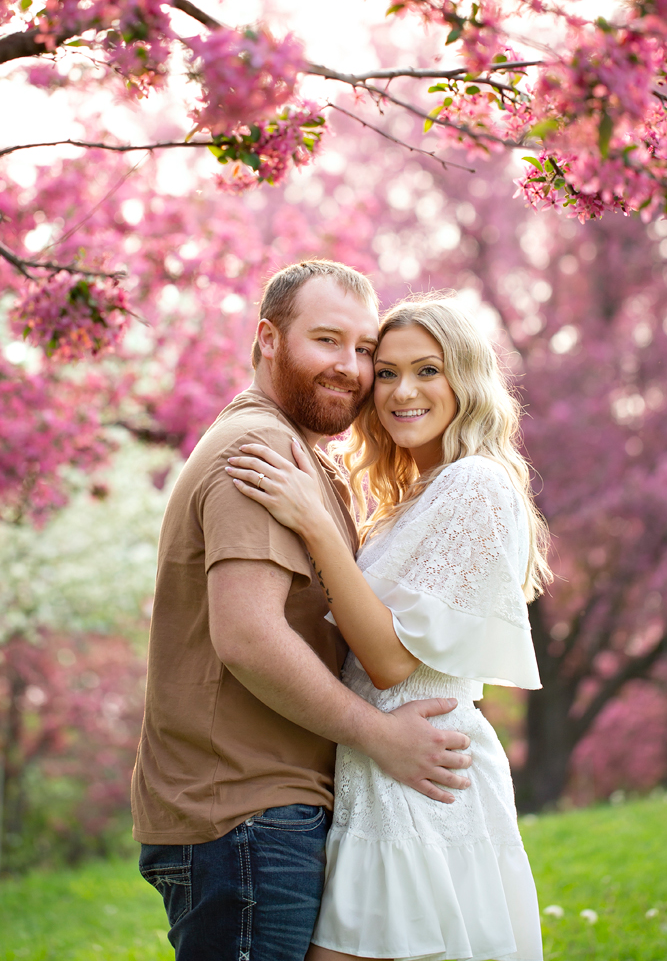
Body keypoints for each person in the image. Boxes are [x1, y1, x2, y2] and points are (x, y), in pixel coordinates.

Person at [132, 262, 473, 961]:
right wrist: (381, 736)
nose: (350, 366)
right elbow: (249, 636)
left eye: (363, 348)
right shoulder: (261, 448)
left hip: (262, 813)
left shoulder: (302, 458)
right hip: (247, 815)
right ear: (268, 339)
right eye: (326, 340)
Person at [227, 294, 549, 961]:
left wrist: (315, 524)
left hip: (424, 779)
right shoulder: (415, 497)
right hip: (383, 773)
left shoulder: (474, 484)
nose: (403, 392)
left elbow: (390, 661)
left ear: (466, 379)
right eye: (388, 373)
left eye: (428, 370)